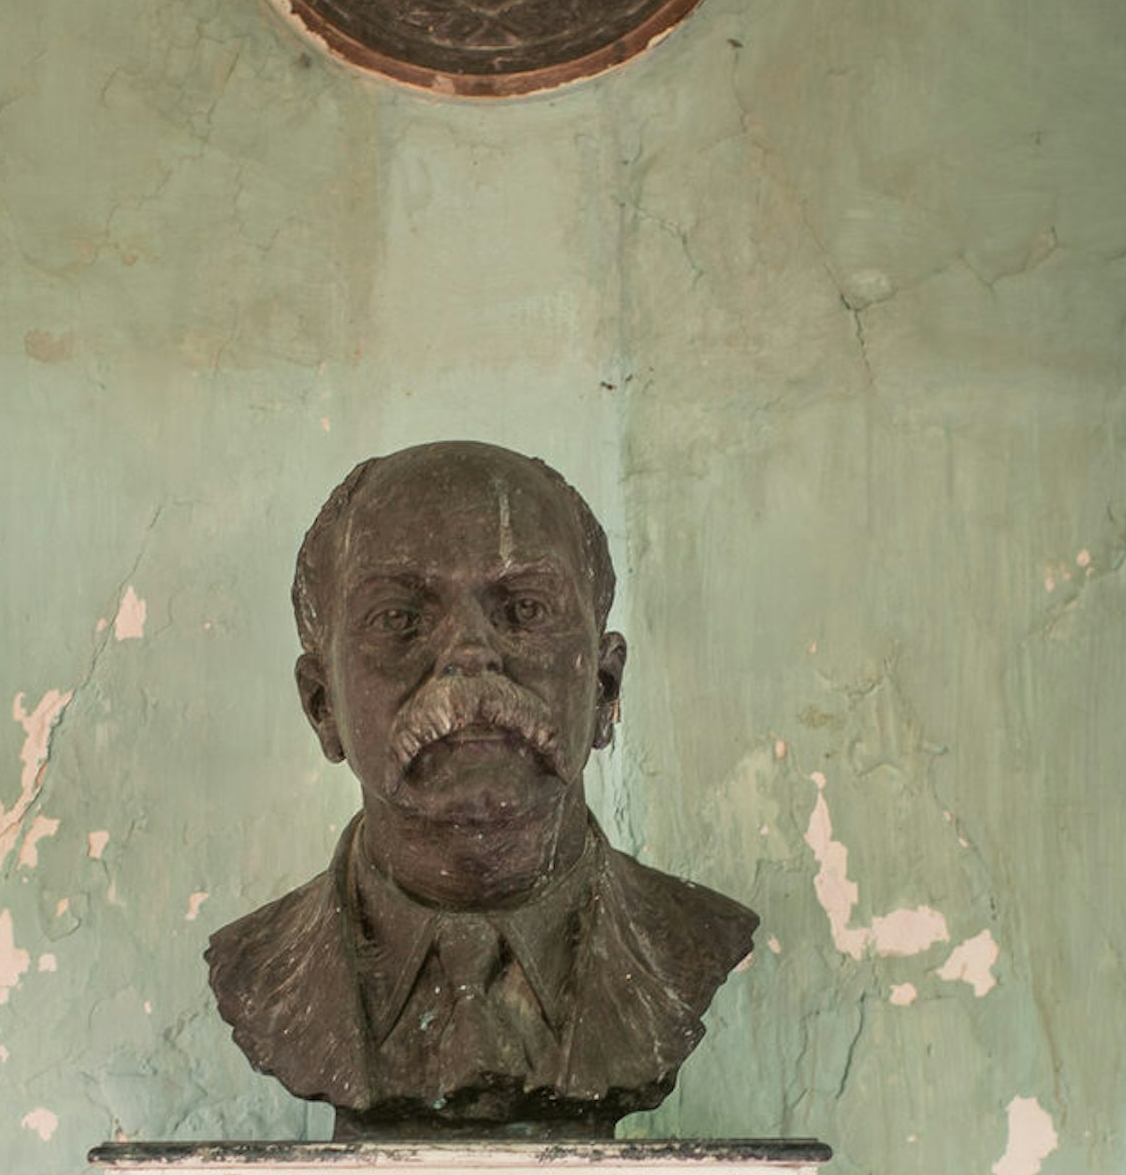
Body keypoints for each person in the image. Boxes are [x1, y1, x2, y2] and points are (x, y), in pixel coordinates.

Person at [207, 439, 756, 1134]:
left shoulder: (688, 944)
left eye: (524, 609)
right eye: (399, 617)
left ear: (605, 688)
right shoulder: (257, 970)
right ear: (323, 704)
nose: (469, 655)